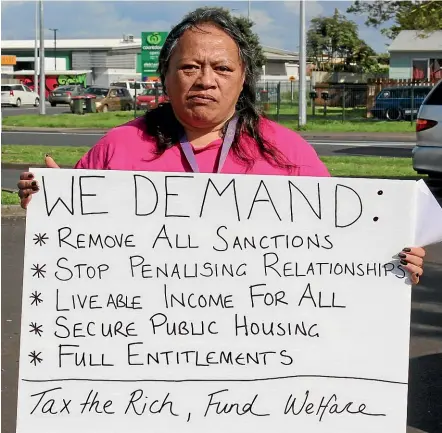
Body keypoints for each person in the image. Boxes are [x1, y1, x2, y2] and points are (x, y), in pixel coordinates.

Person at [17, 7, 425, 283]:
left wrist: (391, 259)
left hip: (262, 356)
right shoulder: (119, 146)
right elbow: (76, 245)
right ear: (166, 74)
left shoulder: (288, 153)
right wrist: (48, 200)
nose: (205, 80)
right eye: (190, 67)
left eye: (222, 68)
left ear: (243, 77)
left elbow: (342, 247)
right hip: (140, 353)